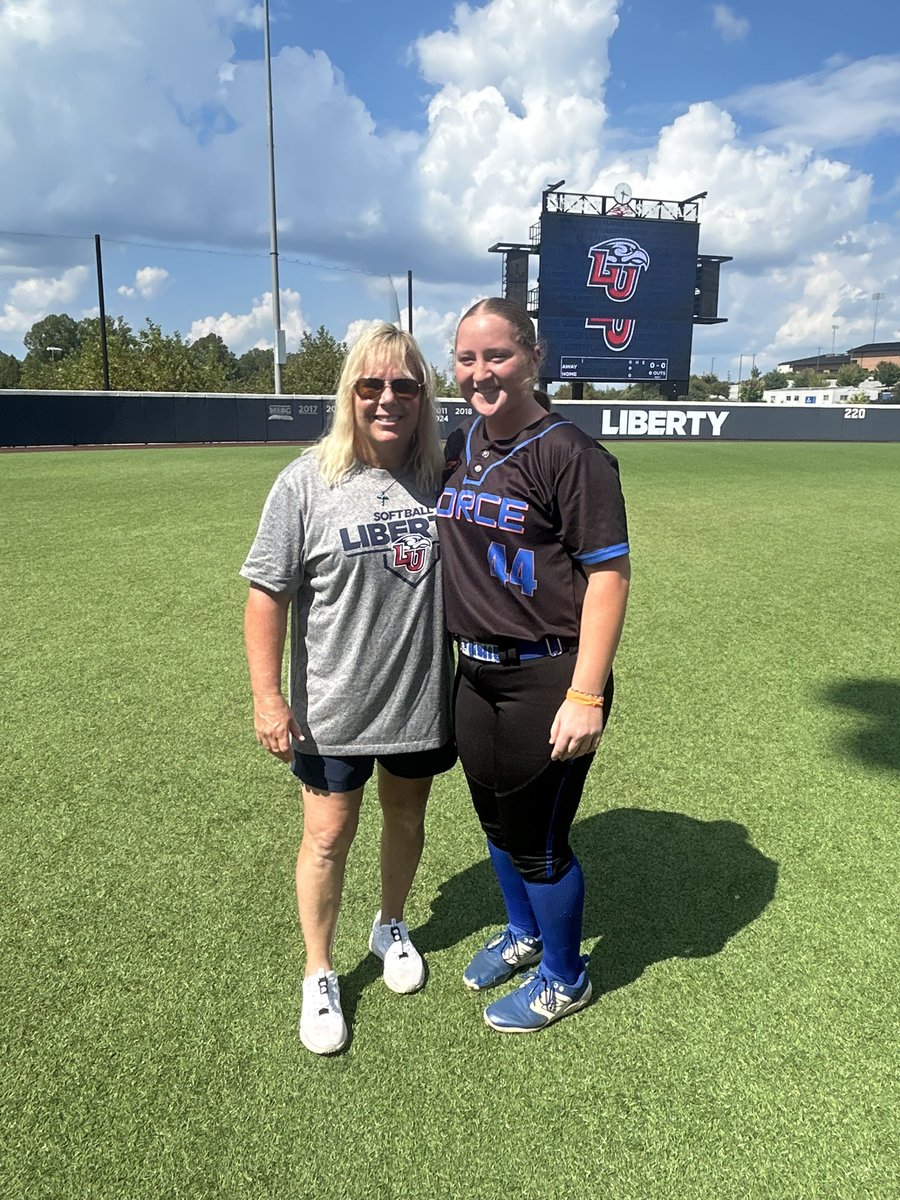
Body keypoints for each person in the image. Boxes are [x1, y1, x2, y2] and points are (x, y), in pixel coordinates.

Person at [241, 323, 455, 1055]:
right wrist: (268, 697)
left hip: (420, 704)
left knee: (406, 819)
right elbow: (267, 593)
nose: (388, 398)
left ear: (424, 395)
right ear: (349, 394)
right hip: (331, 711)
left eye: (404, 385)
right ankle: (320, 973)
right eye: (371, 385)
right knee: (327, 838)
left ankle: (391, 923)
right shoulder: (307, 480)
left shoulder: (444, 474)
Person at [437, 297, 630, 1033]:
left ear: (533, 358)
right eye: (466, 357)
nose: (480, 372)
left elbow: (608, 578)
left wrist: (586, 693)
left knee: (541, 843)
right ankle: (523, 935)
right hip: (476, 671)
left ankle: (565, 974)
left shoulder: (570, 453)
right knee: (495, 819)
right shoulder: (464, 443)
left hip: (549, 674)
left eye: (497, 355)